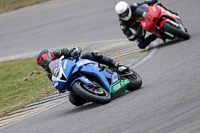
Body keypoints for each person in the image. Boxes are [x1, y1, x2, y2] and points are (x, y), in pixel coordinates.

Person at [36, 47, 128, 106]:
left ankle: (116, 65)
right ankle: (91, 94)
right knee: (73, 100)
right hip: (71, 79)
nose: (46, 65)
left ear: (50, 56)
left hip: (79, 65)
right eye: (43, 65)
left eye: (46, 62)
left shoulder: (59, 53)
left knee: (91, 55)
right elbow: (56, 82)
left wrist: (75, 51)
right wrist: (60, 88)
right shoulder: (50, 73)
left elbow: (72, 50)